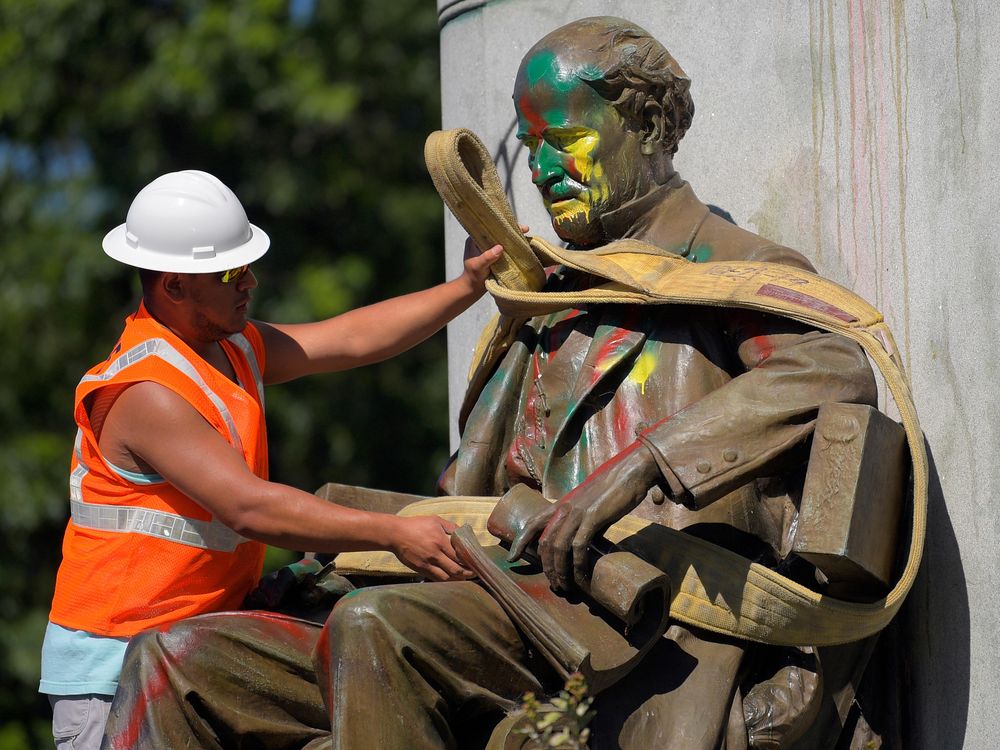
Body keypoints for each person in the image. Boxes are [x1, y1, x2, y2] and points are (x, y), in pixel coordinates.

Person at [102, 17, 887, 750]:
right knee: (178, 656)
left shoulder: (727, 269)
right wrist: (358, 550)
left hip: (630, 611)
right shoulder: (551, 291)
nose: (543, 171)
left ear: (647, 130)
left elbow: (833, 367)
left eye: (567, 141)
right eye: (532, 145)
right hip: (490, 587)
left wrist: (640, 467)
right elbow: (464, 484)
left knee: (378, 628)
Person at [39, 168, 501, 750]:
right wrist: (394, 532)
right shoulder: (145, 390)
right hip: (113, 672)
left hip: (193, 651)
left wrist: (465, 288)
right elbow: (249, 508)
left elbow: (351, 338)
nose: (249, 282)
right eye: (230, 271)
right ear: (174, 285)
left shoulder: (232, 347)